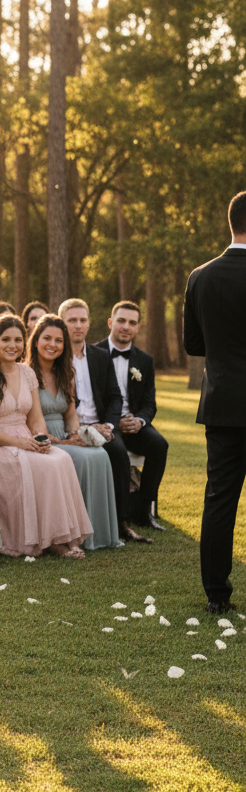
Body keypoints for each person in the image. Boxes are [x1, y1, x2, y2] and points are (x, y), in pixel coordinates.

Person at [0, 314, 93, 558]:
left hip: (26, 439)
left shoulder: (27, 373)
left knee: (61, 459)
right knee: (44, 466)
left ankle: (64, 536)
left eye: (18, 340)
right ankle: (52, 542)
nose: (12, 345)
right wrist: (19, 443)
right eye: (6, 339)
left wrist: (41, 438)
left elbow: (35, 418)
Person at [183, 190, 246, 613]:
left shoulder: (200, 276)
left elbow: (193, 345)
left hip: (222, 402)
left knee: (219, 499)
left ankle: (216, 595)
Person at [59, 298, 151, 544]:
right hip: (68, 427)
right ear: (61, 323)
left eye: (83, 320)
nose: (78, 325)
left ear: (89, 323)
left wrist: (109, 426)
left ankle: (121, 524)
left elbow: (115, 396)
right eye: (72, 320)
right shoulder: (55, 357)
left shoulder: (100, 356)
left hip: (101, 426)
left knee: (118, 453)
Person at [27, 314, 121, 551]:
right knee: (79, 457)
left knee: (99, 454)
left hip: (63, 435)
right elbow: (33, 420)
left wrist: (78, 435)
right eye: (47, 338)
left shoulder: (66, 373)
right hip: (39, 436)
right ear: (36, 341)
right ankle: (70, 534)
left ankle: (97, 534)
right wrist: (62, 442)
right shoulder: (26, 373)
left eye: (59, 340)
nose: (53, 344)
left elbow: (70, 416)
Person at [94, 301, 168, 531]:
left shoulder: (145, 360)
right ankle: (121, 517)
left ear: (138, 327)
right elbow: (90, 399)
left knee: (159, 445)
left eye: (132, 323)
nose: (126, 326)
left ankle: (144, 511)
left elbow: (149, 403)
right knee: (118, 453)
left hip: (133, 423)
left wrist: (139, 421)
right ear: (110, 322)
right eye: (121, 321)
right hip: (106, 422)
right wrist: (114, 421)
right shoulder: (92, 354)